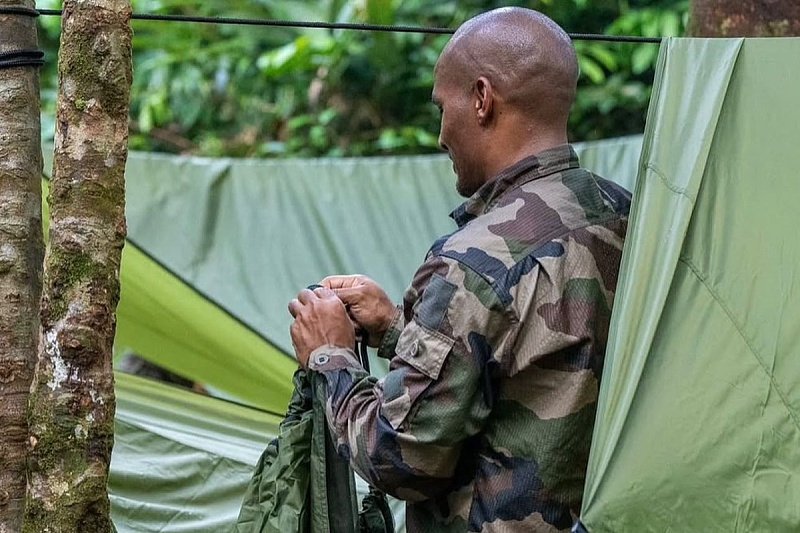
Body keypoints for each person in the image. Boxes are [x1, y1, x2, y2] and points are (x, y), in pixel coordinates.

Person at [288, 7, 631, 532]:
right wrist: (395, 331)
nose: (441, 134)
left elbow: (402, 458)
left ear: (481, 99)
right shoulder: (629, 216)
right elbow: (534, 365)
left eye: (441, 108)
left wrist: (330, 356)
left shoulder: (473, 261)